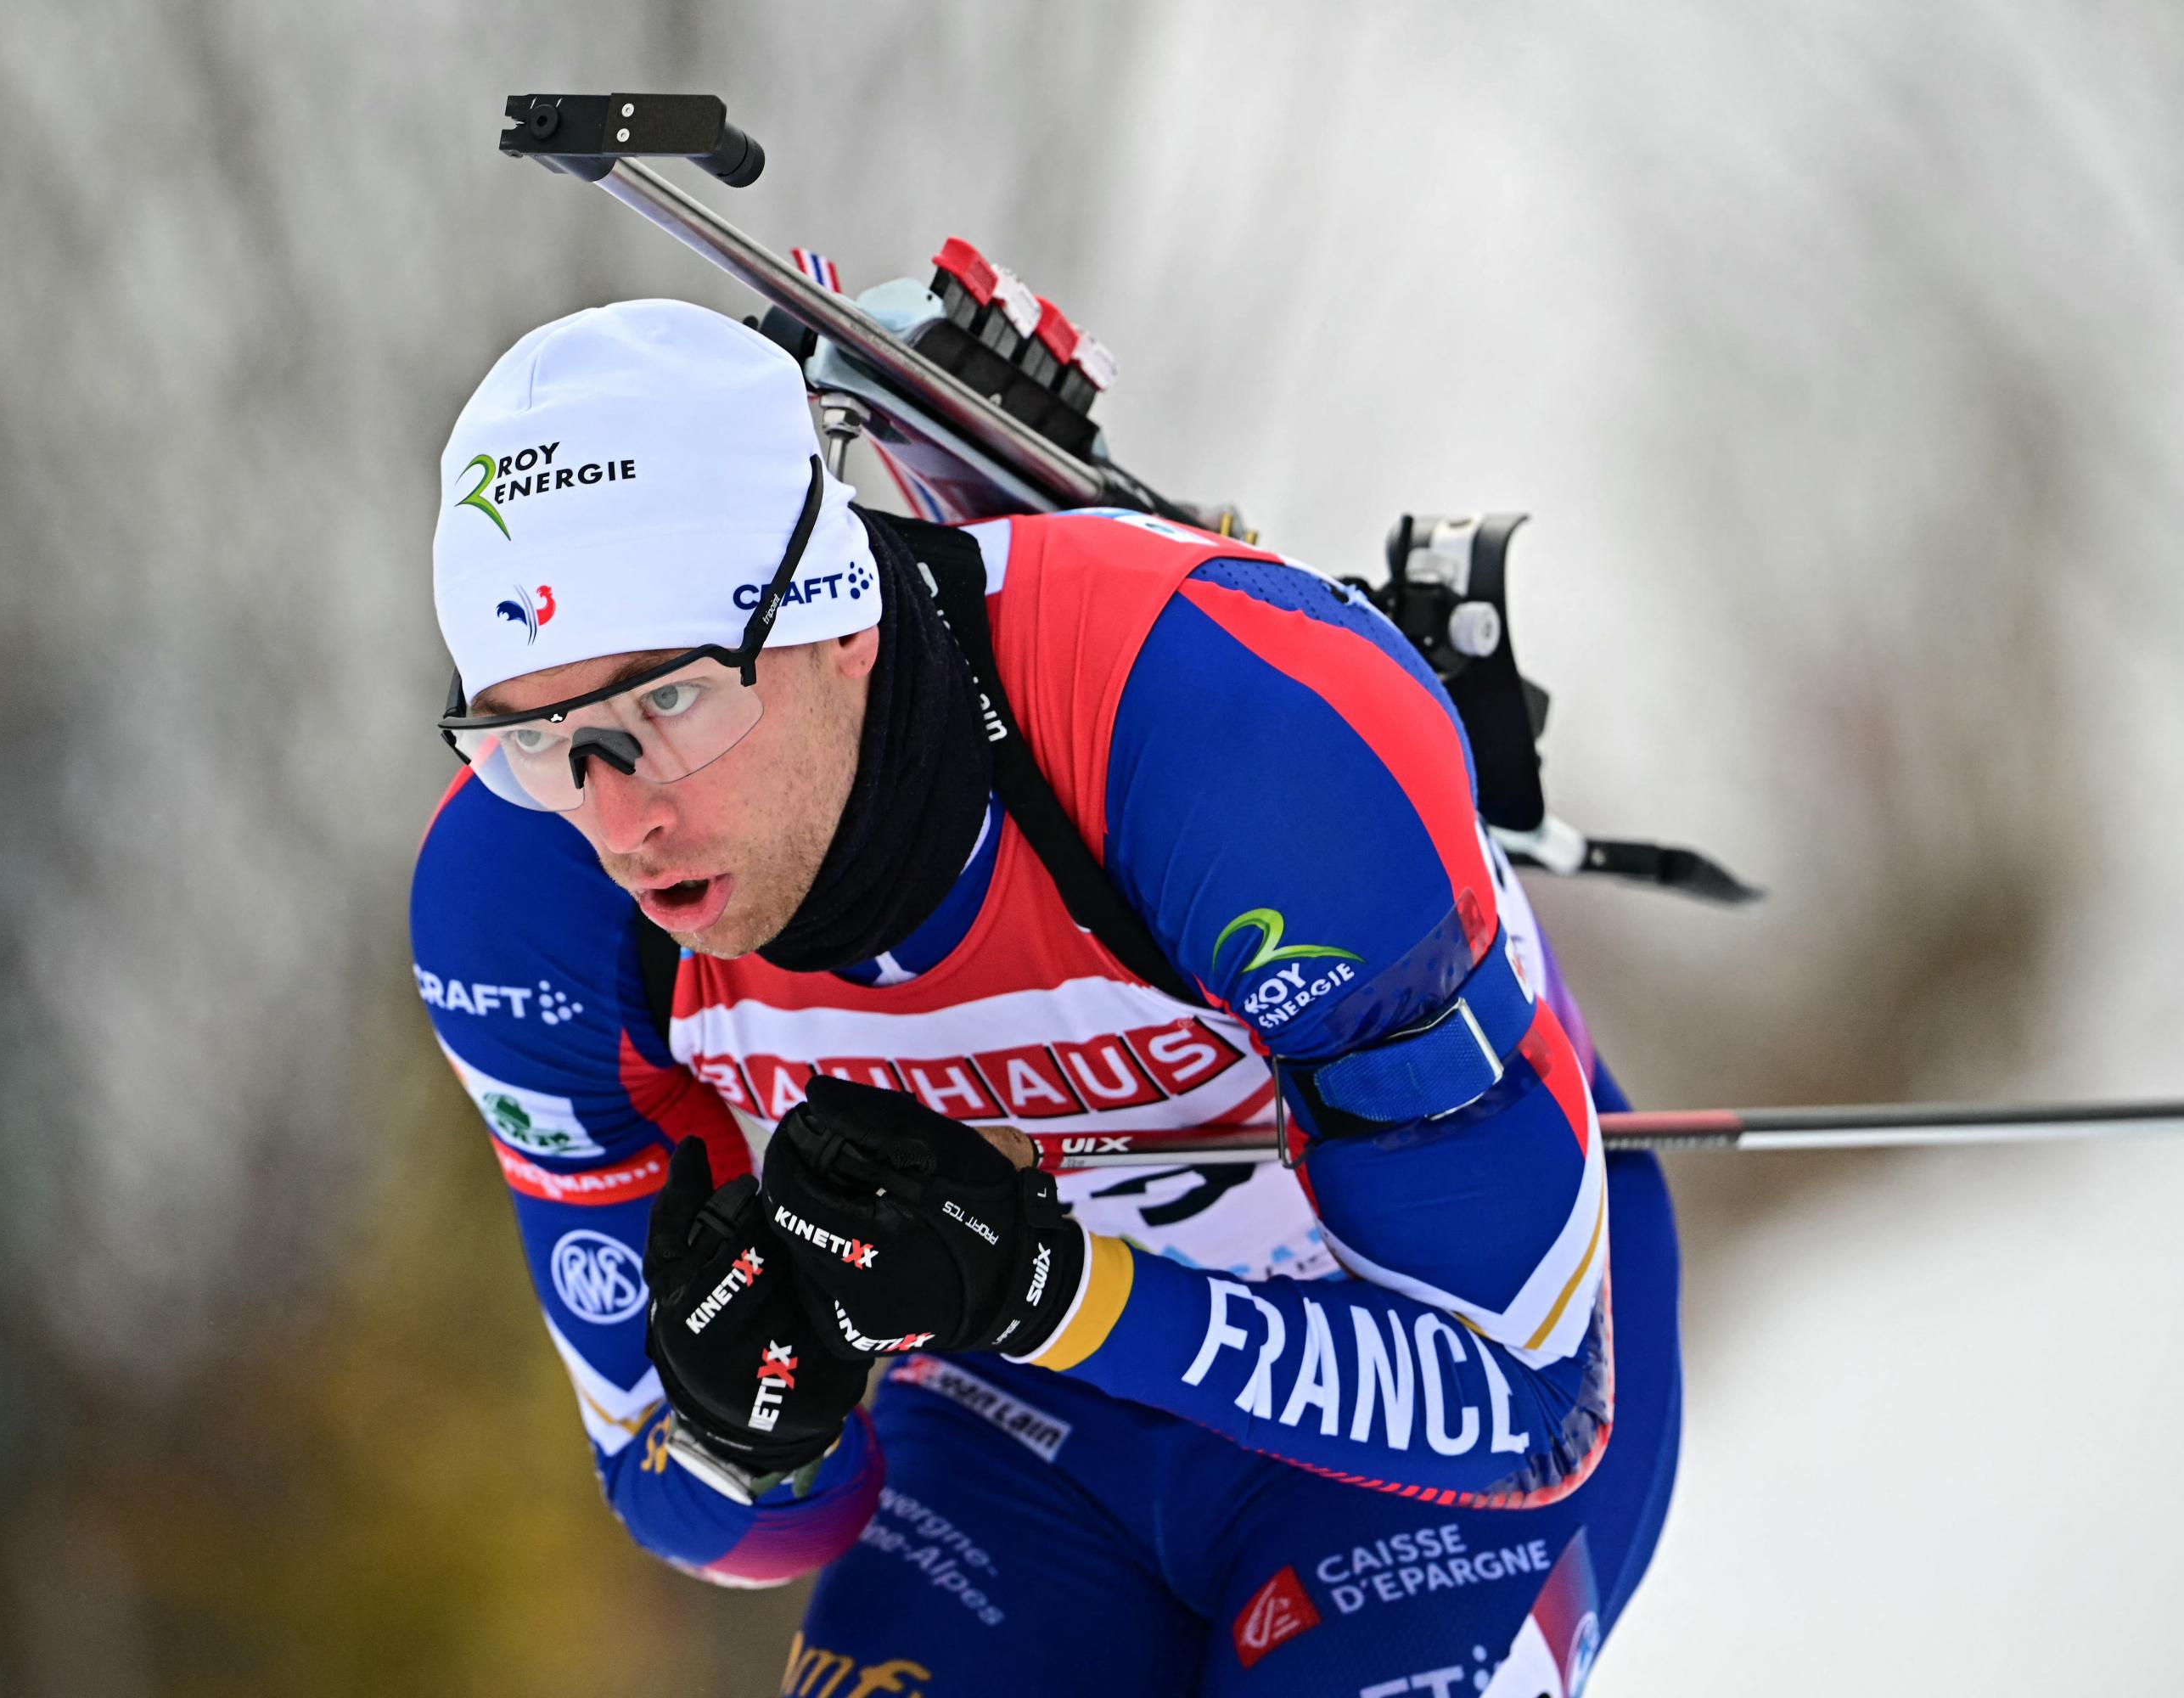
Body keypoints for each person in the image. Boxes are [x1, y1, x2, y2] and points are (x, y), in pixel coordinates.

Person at [410, 298, 1682, 1698]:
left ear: (843, 617)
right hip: (1022, 1437)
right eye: (538, 738)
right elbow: (686, 1501)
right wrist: (762, 1422)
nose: (620, 817)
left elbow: (1526, 1412)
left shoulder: (1235, 745)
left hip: (1405, 1406)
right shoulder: (519, 902)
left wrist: (1049, 1288)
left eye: (670, 707)